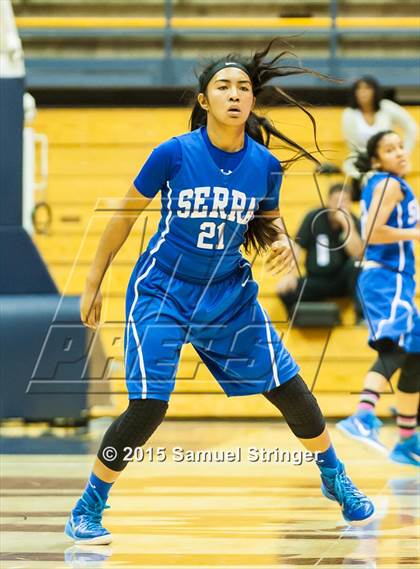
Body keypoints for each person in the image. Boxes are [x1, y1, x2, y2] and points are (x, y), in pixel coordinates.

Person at [64, 40, 375, 545]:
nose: (235, 94)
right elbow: (122, 217)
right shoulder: (173, 153)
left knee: (289, 388)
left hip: (227, 293)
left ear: (253, 102)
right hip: (164, 289)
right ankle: (89, 505)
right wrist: (92, 284)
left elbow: (269, 223)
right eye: (224, 87)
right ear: (204, 100)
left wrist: (282, 247)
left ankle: (334, 477)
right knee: (149, 405)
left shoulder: (265, 165)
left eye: (244, 88)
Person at [337, 130, 420, 467]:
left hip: (391, 278)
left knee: (415, 353)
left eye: (400, 146)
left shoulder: (385, 183)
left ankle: (406, 439)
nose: (400, 152)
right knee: (396, 346)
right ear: (376, 159)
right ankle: (363, 415)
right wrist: (416, 232)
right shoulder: (390, 184)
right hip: (386, 277)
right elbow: (372, 233)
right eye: (390, 149)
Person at [277, 183, 364, 323]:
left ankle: (361, 318)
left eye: (345, 201)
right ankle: (297, 319)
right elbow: (296, 248)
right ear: (328, 201)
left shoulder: (353, 221)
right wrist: (290, 274)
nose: (340, 206)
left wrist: (347, 226)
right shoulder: (314, 217)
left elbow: (358, 254)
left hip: (340, 281)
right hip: (315, 280)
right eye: (336, 201)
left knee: (358, 265)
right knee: (285, 289)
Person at [342, 76, 417, 195]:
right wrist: (370, 162)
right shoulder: (349, 114)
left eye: (367, 88)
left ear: (375, 91)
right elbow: (352, 146)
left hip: (389, 162)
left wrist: (404, 152)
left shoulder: (386, 107)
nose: (363, 92)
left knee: (395, 195)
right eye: (359, 89)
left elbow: (411, 127)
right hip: (364, 164)